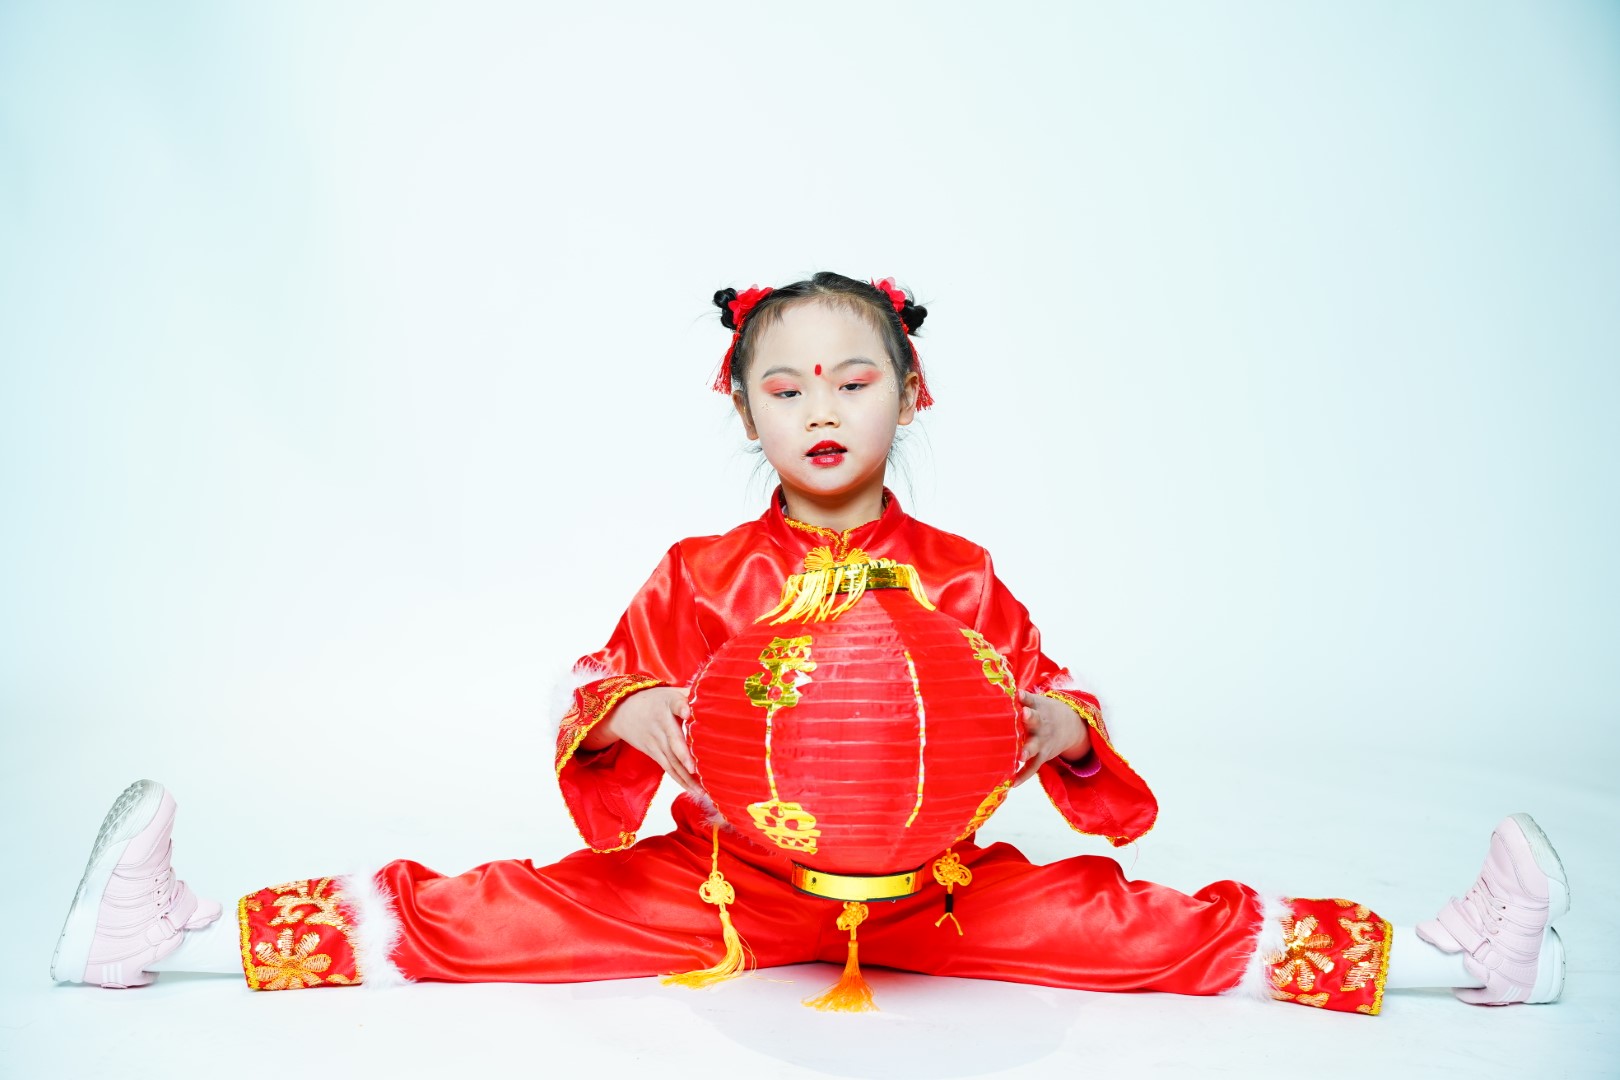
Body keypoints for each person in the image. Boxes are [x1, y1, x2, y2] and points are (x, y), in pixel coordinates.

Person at [51, 272, 1569, 1013]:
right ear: (744, 410)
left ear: (911, 396)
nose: (823, 410)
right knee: (489, 913)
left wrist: (1056, 728)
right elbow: (600, 677)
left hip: (935, 891)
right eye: (787, 389)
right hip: (727, 884)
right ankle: (166, 938)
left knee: (1147, 928)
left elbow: (1047, 687)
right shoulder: (703, 571)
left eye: (856, 380)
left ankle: (1471, 964)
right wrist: (632, 716)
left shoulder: (958, 575)